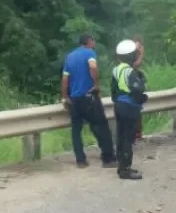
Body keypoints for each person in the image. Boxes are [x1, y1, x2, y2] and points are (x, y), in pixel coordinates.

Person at [61, 34, 117, 168]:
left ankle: (81, 160)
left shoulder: (70, 56)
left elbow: (65, 79)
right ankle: (108, 158)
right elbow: (93, 68)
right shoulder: (89, 53)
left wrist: (65, 97)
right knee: (101, 126)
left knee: (76, 130)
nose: (94, 43)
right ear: (89, 42)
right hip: (89, 97)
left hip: (75, 100)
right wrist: (96, 85)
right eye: (93, 40)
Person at [111, 39, 148, 180]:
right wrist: (142, 96)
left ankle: (121, 167)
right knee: (128, 138)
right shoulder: (130, 73)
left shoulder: (116, 70)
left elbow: (114, 91)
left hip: (119, 106)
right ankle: (126, 170)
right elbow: (137, 90)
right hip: (130, 108)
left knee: (121, 137)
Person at [131, 35, 146, 141]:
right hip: (132, 85)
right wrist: (141, 54)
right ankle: (135, 133)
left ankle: (137, 133)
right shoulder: (130, 57)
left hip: (135, 84)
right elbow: (135, 65)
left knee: (137, 109)